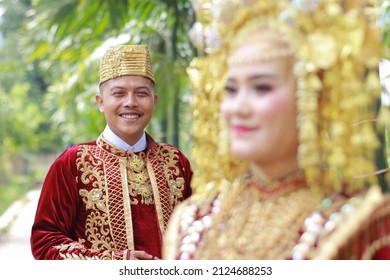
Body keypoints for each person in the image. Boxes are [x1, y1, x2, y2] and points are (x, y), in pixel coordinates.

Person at [163, 0, 390, 260]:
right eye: (231, 90)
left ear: (313, 98)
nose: (239, 107)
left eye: (262, 88)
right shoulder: (192, 223)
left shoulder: (362, 226)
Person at [30, 44, 193, 260]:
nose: (131, 103)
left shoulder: (175, 161)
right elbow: (45, 242)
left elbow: (199, 230)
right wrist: (114, 263)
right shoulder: (73, 163)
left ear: (153, 101)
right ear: (101, 102)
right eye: (119, 93)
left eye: (141, 94)